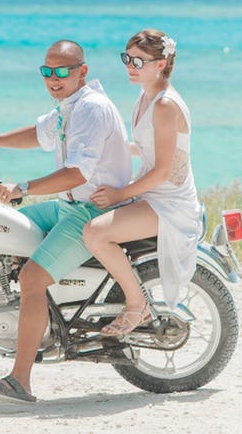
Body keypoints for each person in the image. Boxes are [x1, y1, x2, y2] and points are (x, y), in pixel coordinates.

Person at [0, 39, 132, 403]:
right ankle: (40, 311)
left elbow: (76, 173)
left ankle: (20, 380)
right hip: (69, 205)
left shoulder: (91, 109)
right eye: (47, 71)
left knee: (31, 278)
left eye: (61, 71)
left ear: (81, 72)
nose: (53, 78)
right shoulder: (68, 106)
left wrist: (23, 187)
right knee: (7, 226)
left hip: (91, 210)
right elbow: (36, 134)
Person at [82, 29, 201, 336]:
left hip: (168, 202)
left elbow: (162, 170)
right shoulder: (145, 97)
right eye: (127, 58)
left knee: (95, 234)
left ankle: (138, 304)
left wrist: (121, 193)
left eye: (139, 61)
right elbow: (146, 148)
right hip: (151, 193)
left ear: (160, 64)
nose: (130, 66)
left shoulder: (164, 105)